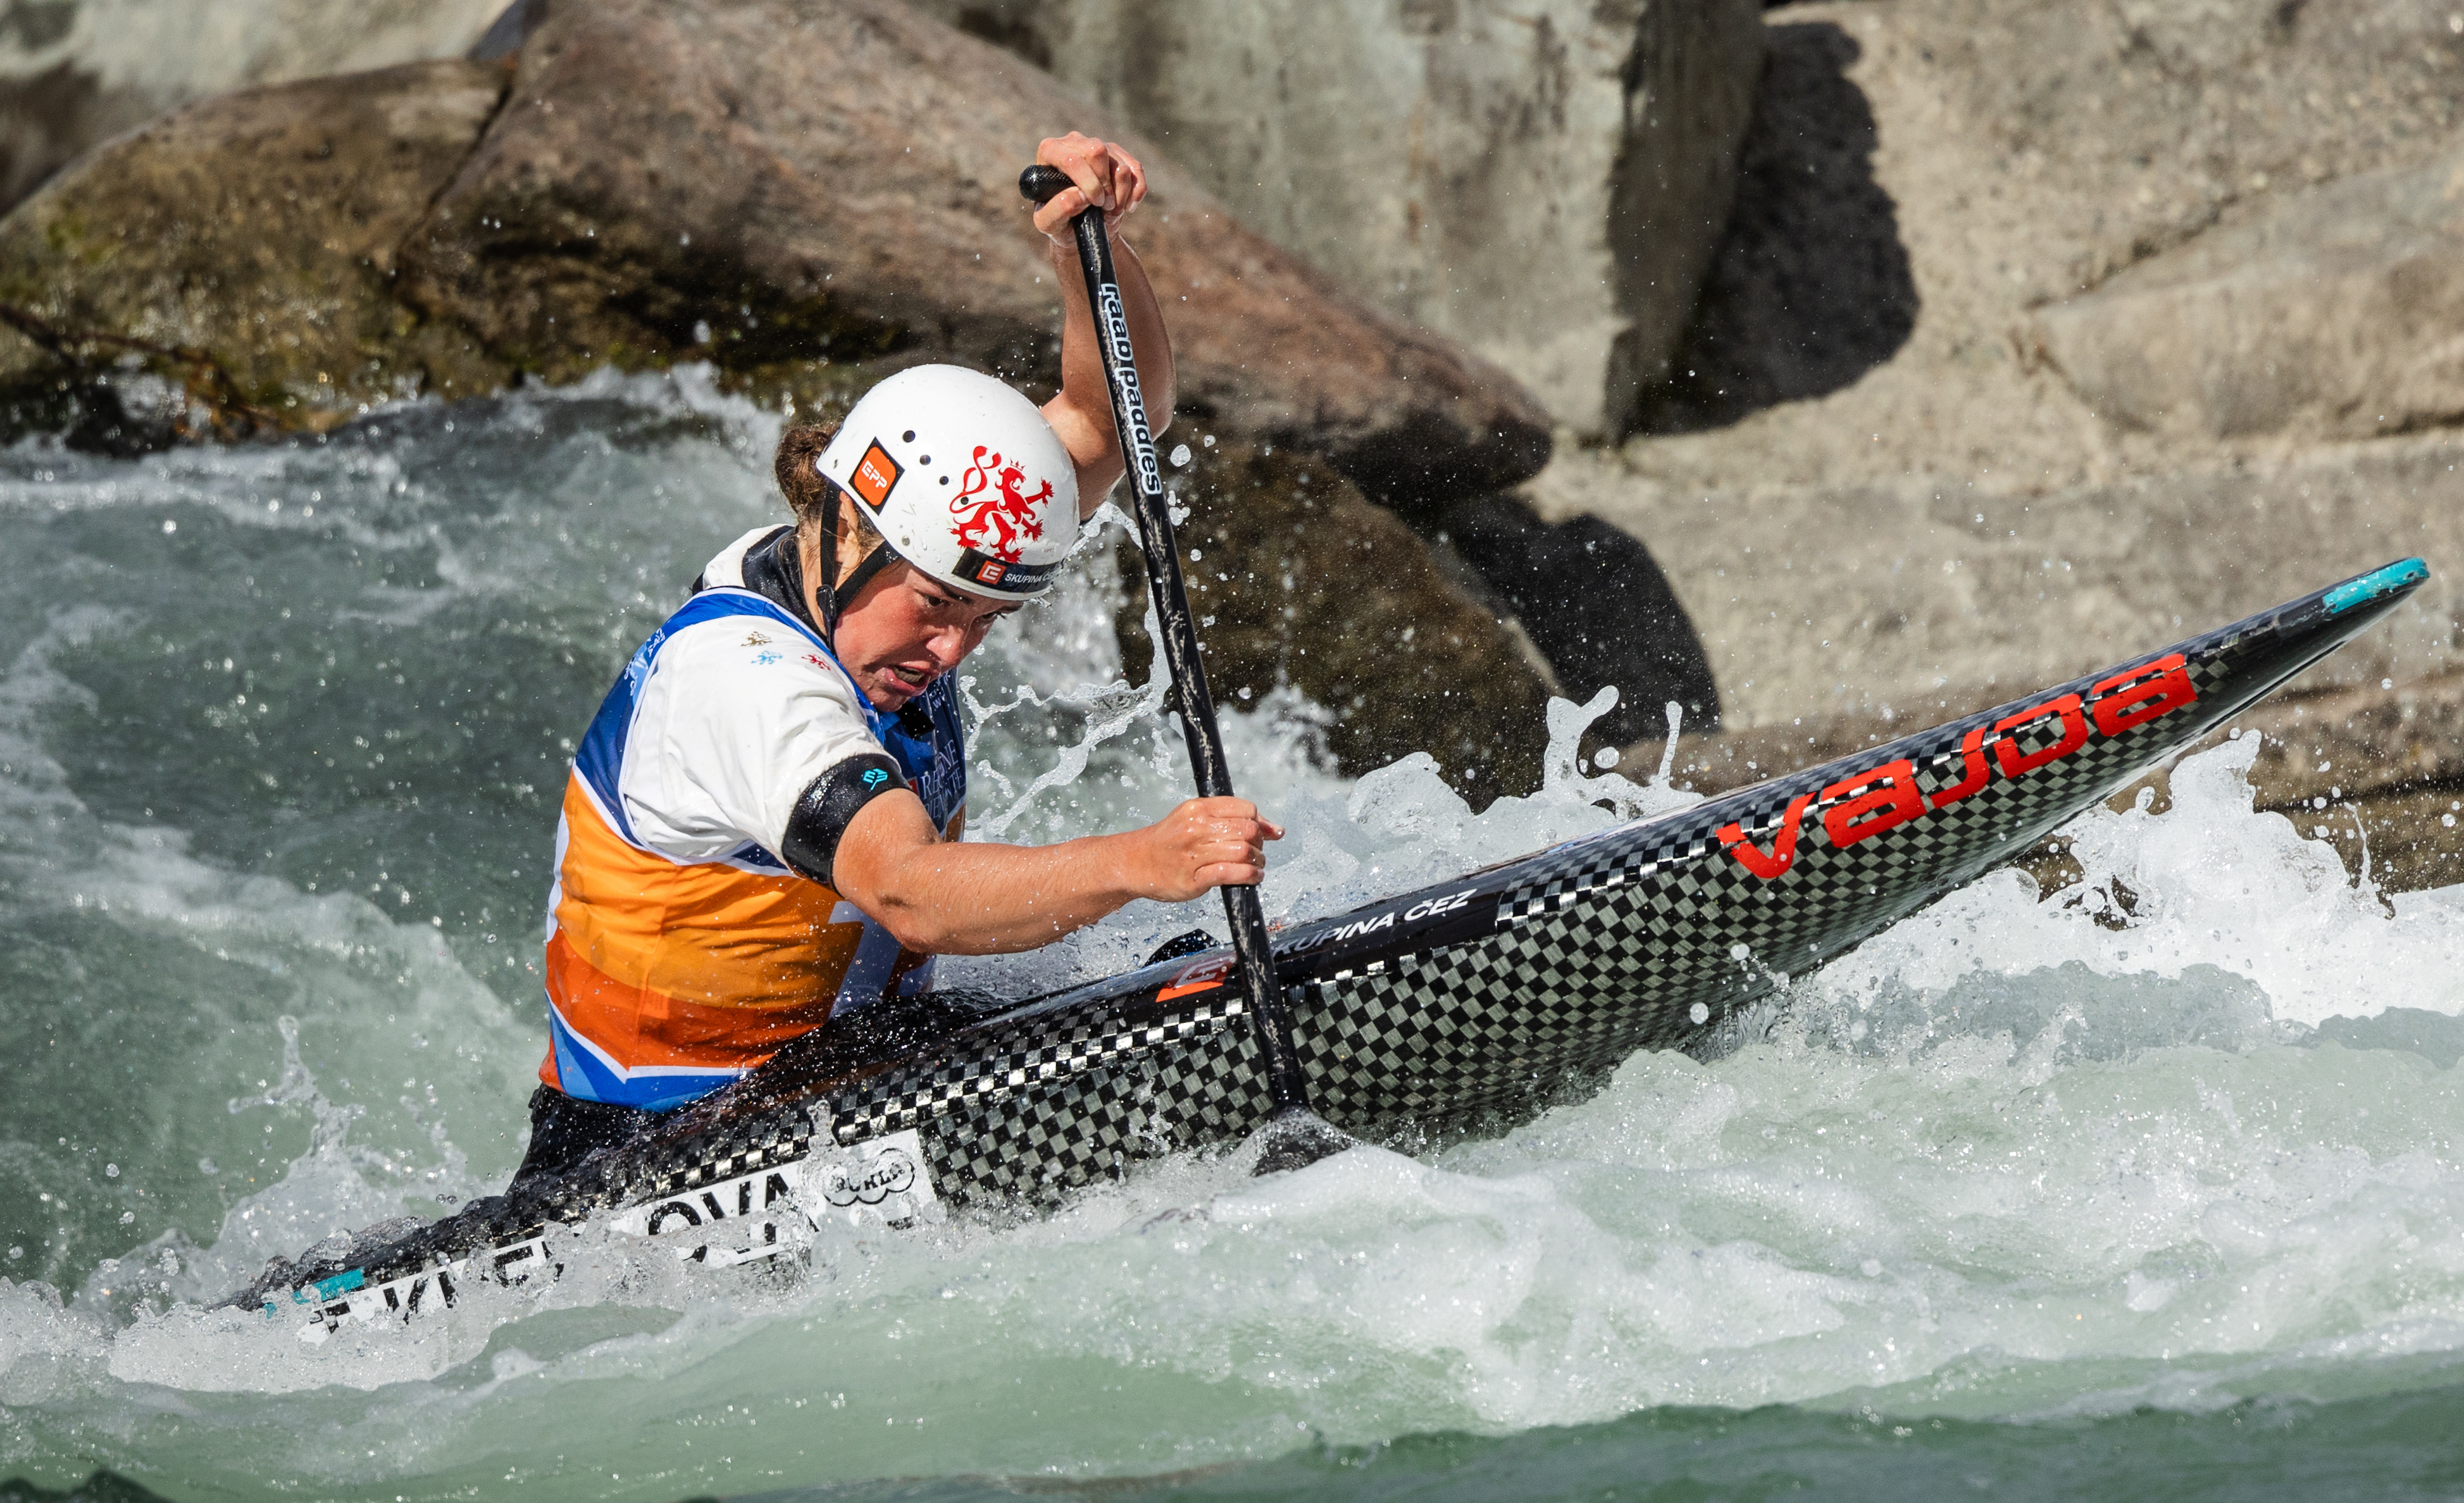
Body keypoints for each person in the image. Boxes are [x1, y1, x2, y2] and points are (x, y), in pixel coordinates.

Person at [514, 133, 1279, 1185]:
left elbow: (1114, 419)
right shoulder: (745, 680)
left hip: (853, 1070)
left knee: (1170, 977)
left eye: (985, 619)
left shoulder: (912, 552)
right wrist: (1139, 864)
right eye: (935, 606)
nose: (954, 647)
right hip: (659, 1151)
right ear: (845, 530)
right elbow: (909, 893)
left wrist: (1083, 250)